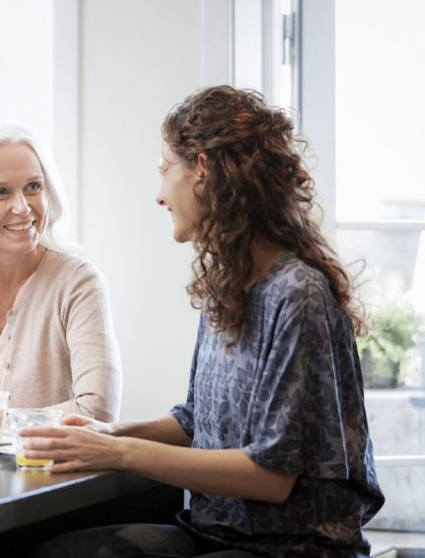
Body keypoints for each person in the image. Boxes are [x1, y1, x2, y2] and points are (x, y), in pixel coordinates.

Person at [24, 86, 384, 558]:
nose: (158, 194)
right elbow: (195, 422)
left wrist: (119, 454)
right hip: (214, 533)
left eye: (163, 170)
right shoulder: (227, 283)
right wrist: (109, 434)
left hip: (293, 548)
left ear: (203, 170)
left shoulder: (297, 294)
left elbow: (272, 477)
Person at [0, 126, 122, 428]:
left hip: (48, 474)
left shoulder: (79, 284)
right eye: (1, 192)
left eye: (33, 187)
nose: (23, 207)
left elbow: (96, 410)